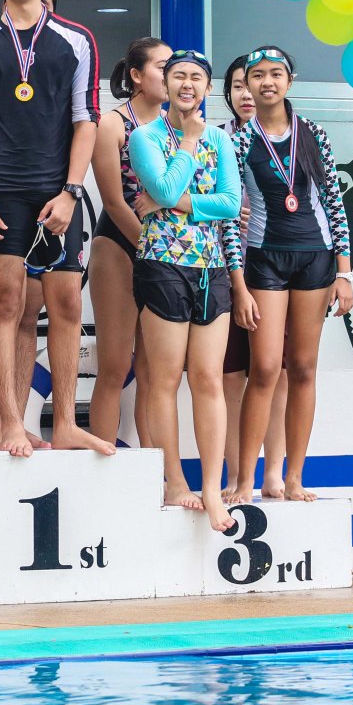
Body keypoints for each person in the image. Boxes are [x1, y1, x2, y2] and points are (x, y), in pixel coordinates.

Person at [0, 0, 113, 458]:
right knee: (6, 302)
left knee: (66, 301)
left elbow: (86, 118)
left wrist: (71, 192)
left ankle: (64, 422)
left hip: (57, 191)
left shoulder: (76, 39)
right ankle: (10, 423)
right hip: (1, 190)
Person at [226, 47, 353, 506]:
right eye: (257, 75)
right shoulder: (239, 141)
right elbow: (229, 217)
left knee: (302, 368)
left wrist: (345, 273)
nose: (267, 82)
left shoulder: (313, 134)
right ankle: (245, 479)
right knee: (264, 368)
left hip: (315, 259)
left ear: (289, 80)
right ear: (246, 84)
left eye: (276, 74)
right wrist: (238, 283)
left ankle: (293, 478)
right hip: (264, 260)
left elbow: (335, 202)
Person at [129, 50, 241, 533]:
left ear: (208, 88)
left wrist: (176, 203)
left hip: (211, 268)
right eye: (178, 76)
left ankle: (212, 488)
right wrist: (189, 146)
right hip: (162, 264)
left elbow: (231, 203)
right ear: (165, 84)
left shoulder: (222, 138)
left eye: (197, 77)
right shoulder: (146, 136)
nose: (187, 84)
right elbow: (161, 186)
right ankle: (175, 481)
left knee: (209, 379)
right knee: (165, 379)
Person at [86, 37, 170, 447]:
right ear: (136, 75)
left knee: (154, 371)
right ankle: (102, 464)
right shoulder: (112, 124)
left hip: (165, 251)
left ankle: (155, 468)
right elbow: (114, 202)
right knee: (116, 365)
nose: (173, 76)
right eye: (163, 67)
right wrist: (154, 248)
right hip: (119, 244)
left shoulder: (177, 127)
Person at [216, 58, 289, 501]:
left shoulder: (292, 138)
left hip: (276, 272)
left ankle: (274, 472)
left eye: (255, 82)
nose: (248, 92)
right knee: (230, 378)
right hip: (228, 275)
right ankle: (235, 475)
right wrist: (226, 210)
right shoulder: (217, 139)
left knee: (276, 374)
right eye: (239, 85)